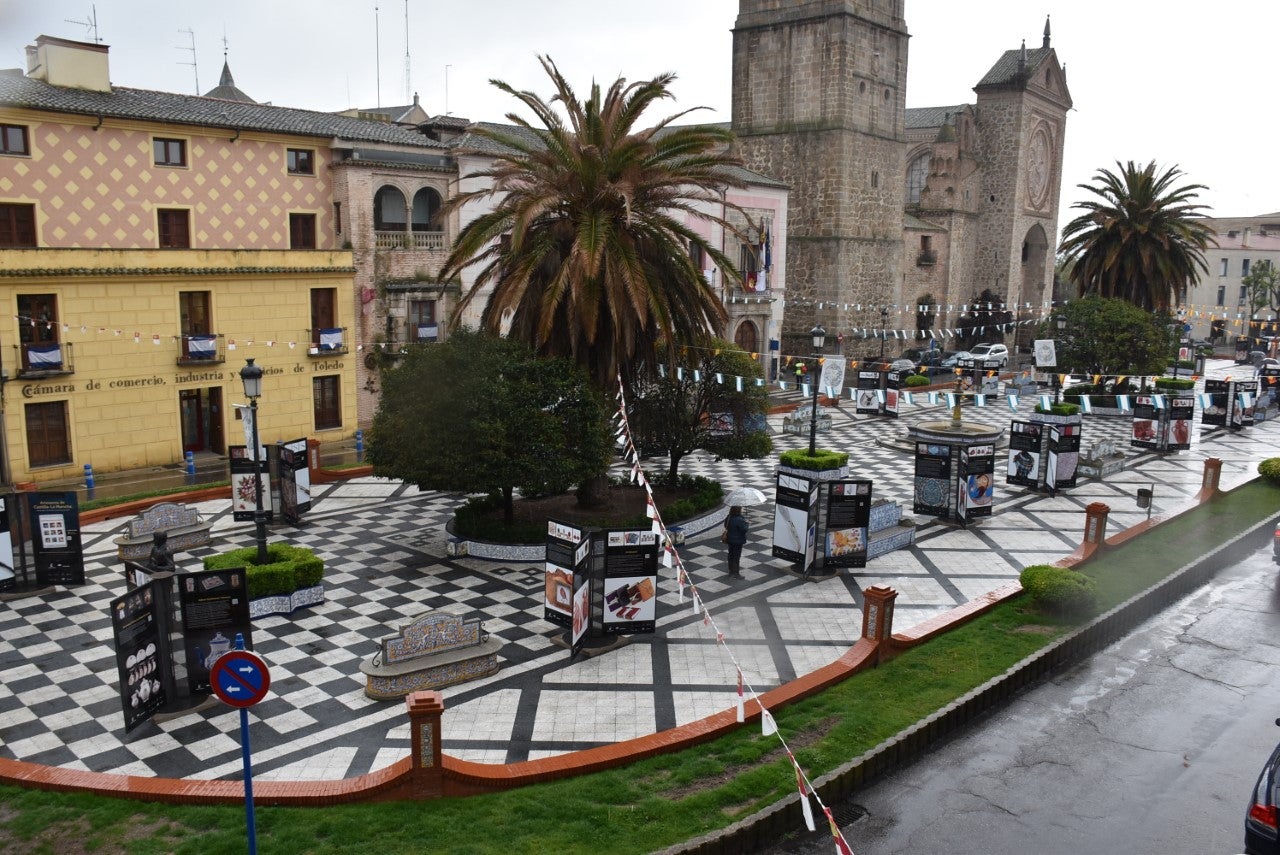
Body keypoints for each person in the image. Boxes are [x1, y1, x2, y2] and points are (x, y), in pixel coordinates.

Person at [722, 506, 750, 576]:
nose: (742, 509)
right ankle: (736, 573)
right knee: (736, 557)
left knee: (731, 555)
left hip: (730, 539)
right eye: (741, 508)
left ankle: (731, 571)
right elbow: (744, 530)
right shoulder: (739, 519)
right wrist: (747, 523)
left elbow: (726, 525)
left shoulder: (729, 517)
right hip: (737, 541)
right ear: (738, 510)